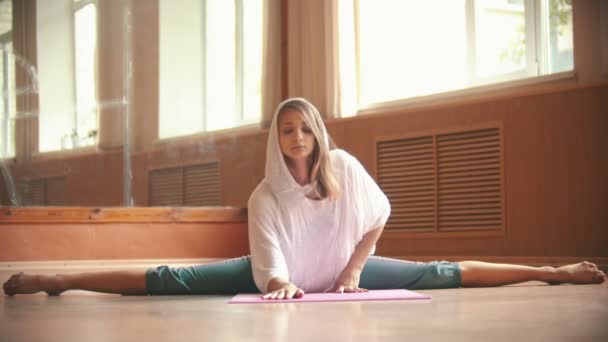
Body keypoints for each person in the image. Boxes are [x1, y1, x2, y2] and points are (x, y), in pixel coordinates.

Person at [3, 98, 605, 298]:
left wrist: (352, 271)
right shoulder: (264, 196)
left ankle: (555, 271)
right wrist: (278, 287)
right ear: (277, 137)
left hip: (340, 271)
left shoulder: (343, 166)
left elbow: (377, 218)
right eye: (287, 129)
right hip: (283, 274)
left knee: (442, 270)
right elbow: (269, 271)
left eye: (305, 127)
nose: (297, 137)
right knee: (171, 278)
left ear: (318, 132)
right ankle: (54, 279)